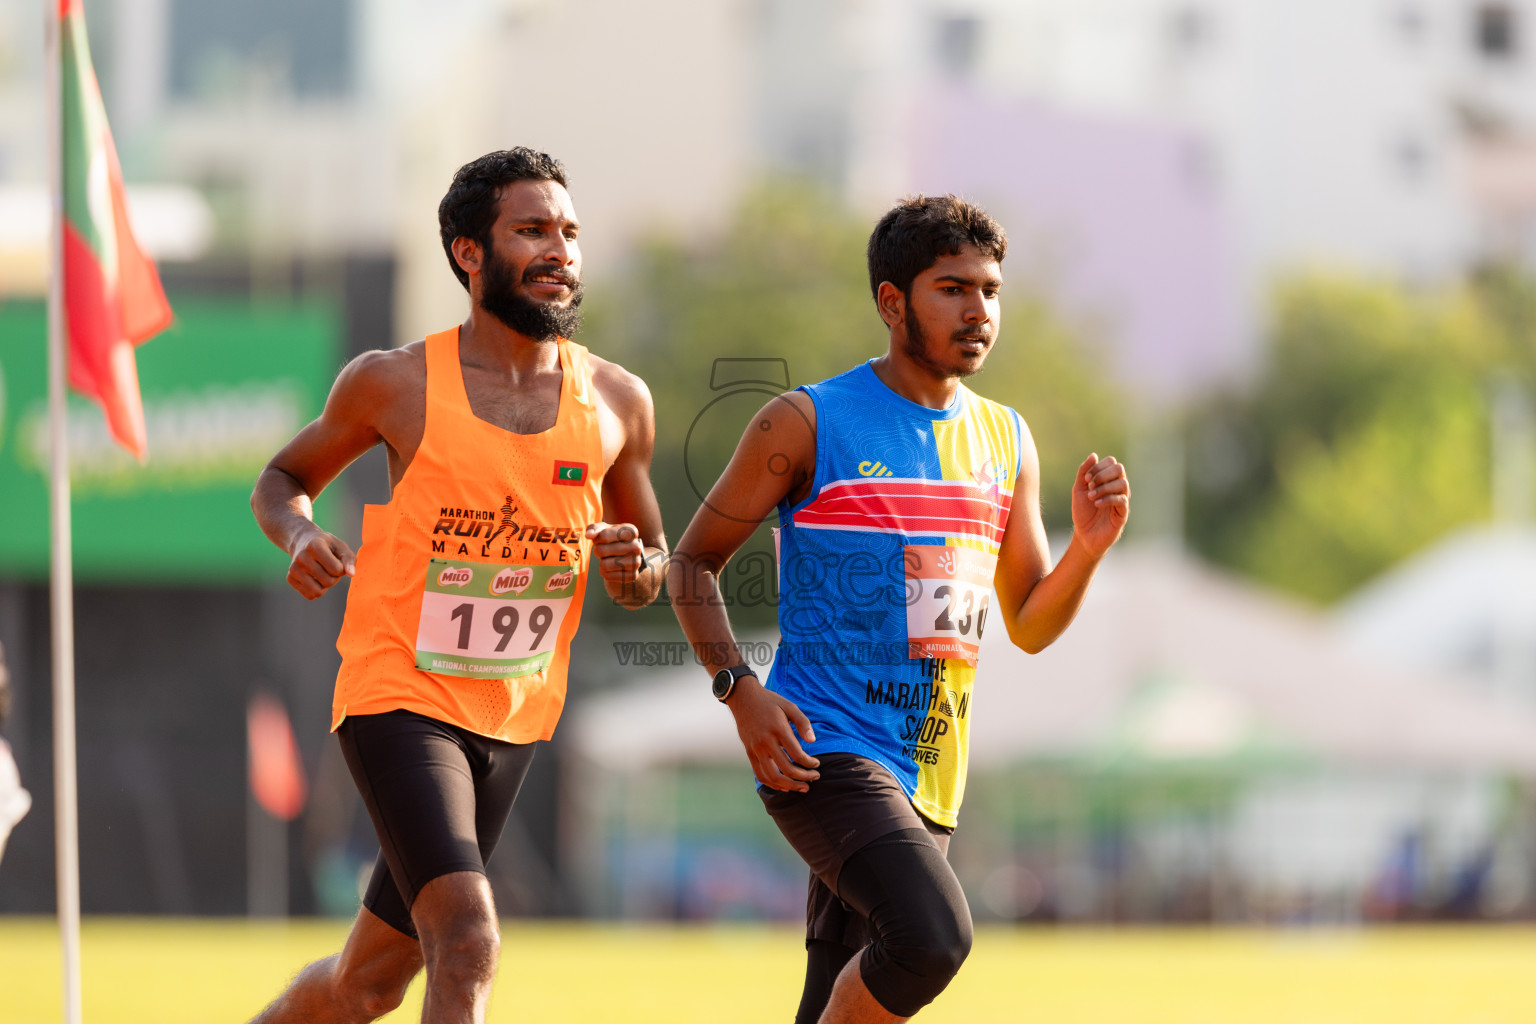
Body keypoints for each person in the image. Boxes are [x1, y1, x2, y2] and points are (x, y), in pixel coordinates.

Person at [669, 195, 1129, 1023]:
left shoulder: (1005, 438)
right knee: (933, 935)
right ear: (892, 302)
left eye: (990, 291)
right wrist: (739, 690)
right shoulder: (807, 420)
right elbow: (692, 564)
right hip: (822, 750)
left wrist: (1087, 550)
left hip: (930, 768)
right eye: (953, 288)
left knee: (839, 991)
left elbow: (1026, 621)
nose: (979, 311)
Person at [248, 148, 667, 1024]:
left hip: (512, 715)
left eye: (570, 233)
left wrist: (636, 567)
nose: (560, 251)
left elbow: (647, 569)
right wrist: (300, 534)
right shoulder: (392, 382)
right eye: (531, 230)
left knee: (366, 985)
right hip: (400, 692)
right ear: (469, 252)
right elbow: (283, 479)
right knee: (469, 941)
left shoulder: (619, 402)